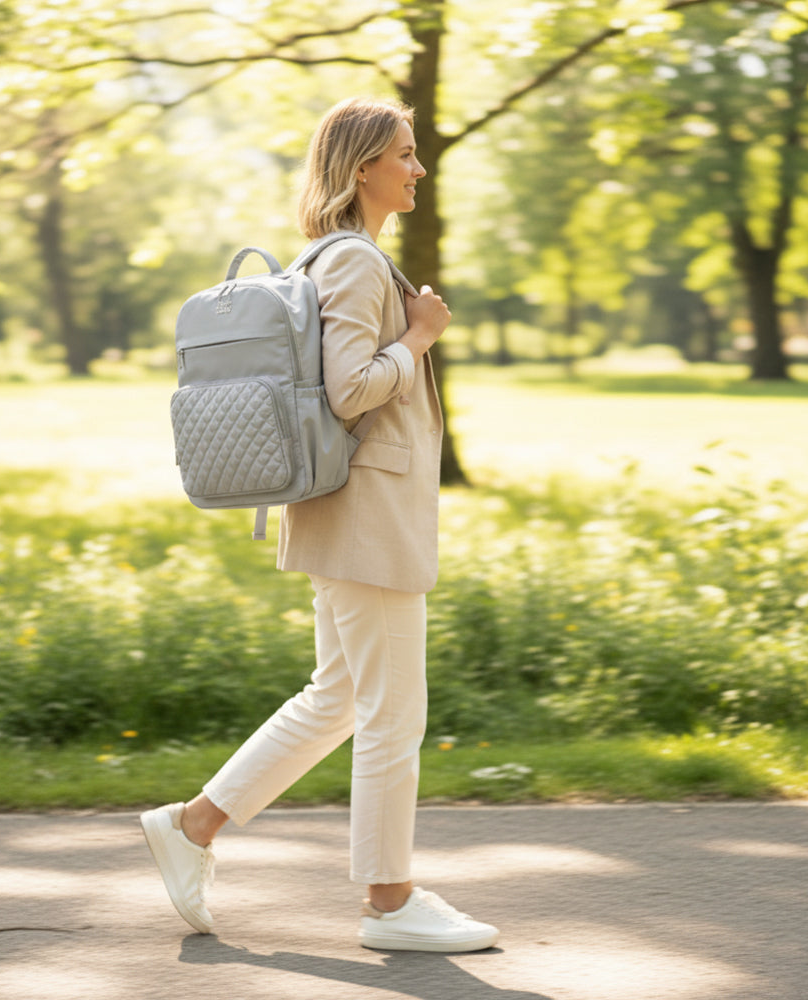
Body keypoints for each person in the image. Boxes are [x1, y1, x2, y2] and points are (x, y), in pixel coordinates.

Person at [140, 96, 499, 953]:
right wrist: (419, 337)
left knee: (337, 698)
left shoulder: (341, 258)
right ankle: (389, 901)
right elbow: (351, 391)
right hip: (367, 521)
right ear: (363, 165)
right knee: (390, 716)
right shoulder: (355, 265)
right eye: (404, 155)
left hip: (350, 516)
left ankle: (191, 827)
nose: (417, 169)